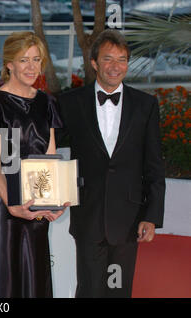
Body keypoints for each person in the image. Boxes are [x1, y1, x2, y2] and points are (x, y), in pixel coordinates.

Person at [58, 29, 165, 298]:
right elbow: (49, 148)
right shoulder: (70, 103)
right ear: (94, 63)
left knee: (118, 290)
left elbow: (154, 164)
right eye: (108, 59)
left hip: (128, 219)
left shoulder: (146, 105)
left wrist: (152, 216)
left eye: (122, 59)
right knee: (89, 290)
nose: (115, 66)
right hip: (87, 215)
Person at [0, 32, 67, 298]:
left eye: (37, 60)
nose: (32, 67)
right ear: (9, 64)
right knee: (5, 274)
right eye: (24, 60)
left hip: (38, 198)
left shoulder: (47, 102)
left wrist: (55, 200)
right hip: (4, 202)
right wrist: (11, 203)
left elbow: (50, 156)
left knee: (36, 270)